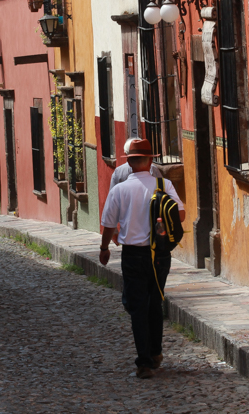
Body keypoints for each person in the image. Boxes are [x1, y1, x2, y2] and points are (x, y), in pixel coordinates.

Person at [99, 138, 185, 379]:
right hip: (160, 254)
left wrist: (104, 247)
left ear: (130, 162)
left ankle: (144, 362)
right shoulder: (163, 184)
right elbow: (181, 214)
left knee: (136, 306)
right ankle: (156, 353)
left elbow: (107, 224)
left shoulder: (119, 189)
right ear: (150, 161)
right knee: (154, 301)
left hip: (133, 255)